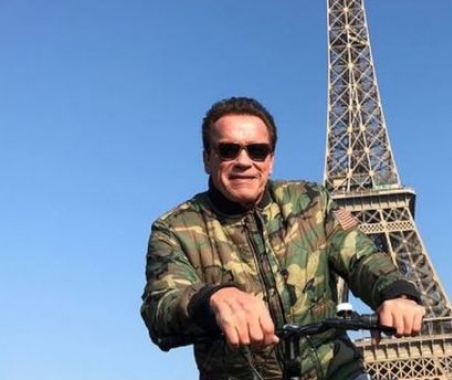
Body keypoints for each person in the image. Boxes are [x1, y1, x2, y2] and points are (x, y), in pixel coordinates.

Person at [141, 96, 425, 380]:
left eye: (257, 151)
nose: (243, 161)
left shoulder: (313, 202)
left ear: (271, 161)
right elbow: (161, 303)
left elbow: (361, 256)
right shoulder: (174, 229)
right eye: (228, 150)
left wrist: (396, 293)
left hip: (334, 371)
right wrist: (211, 299)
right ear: (207, 158)